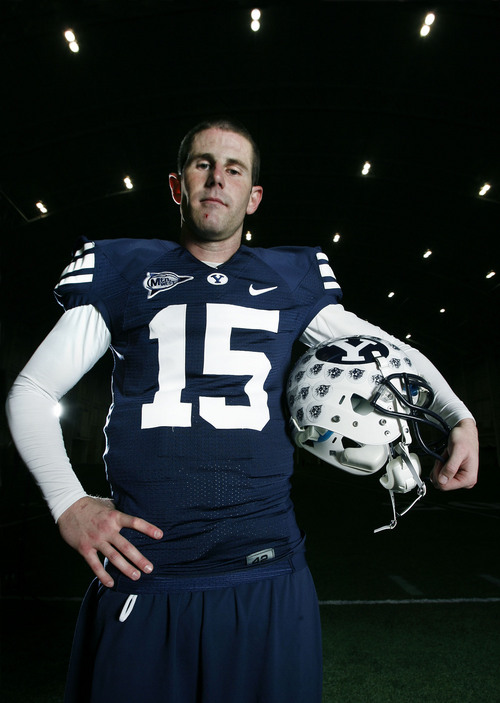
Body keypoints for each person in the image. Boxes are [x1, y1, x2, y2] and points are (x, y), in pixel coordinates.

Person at [6, 117, 478, 703]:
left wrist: (460, 416)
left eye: (234, 170)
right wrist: (67, 504)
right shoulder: (124, 271)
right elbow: (31, 391)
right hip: (148, 576)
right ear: (178, 185)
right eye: (202, 164)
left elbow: (391, 352)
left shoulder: (290, 280)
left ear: (252, 197)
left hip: (266, 573)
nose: (216, 179)